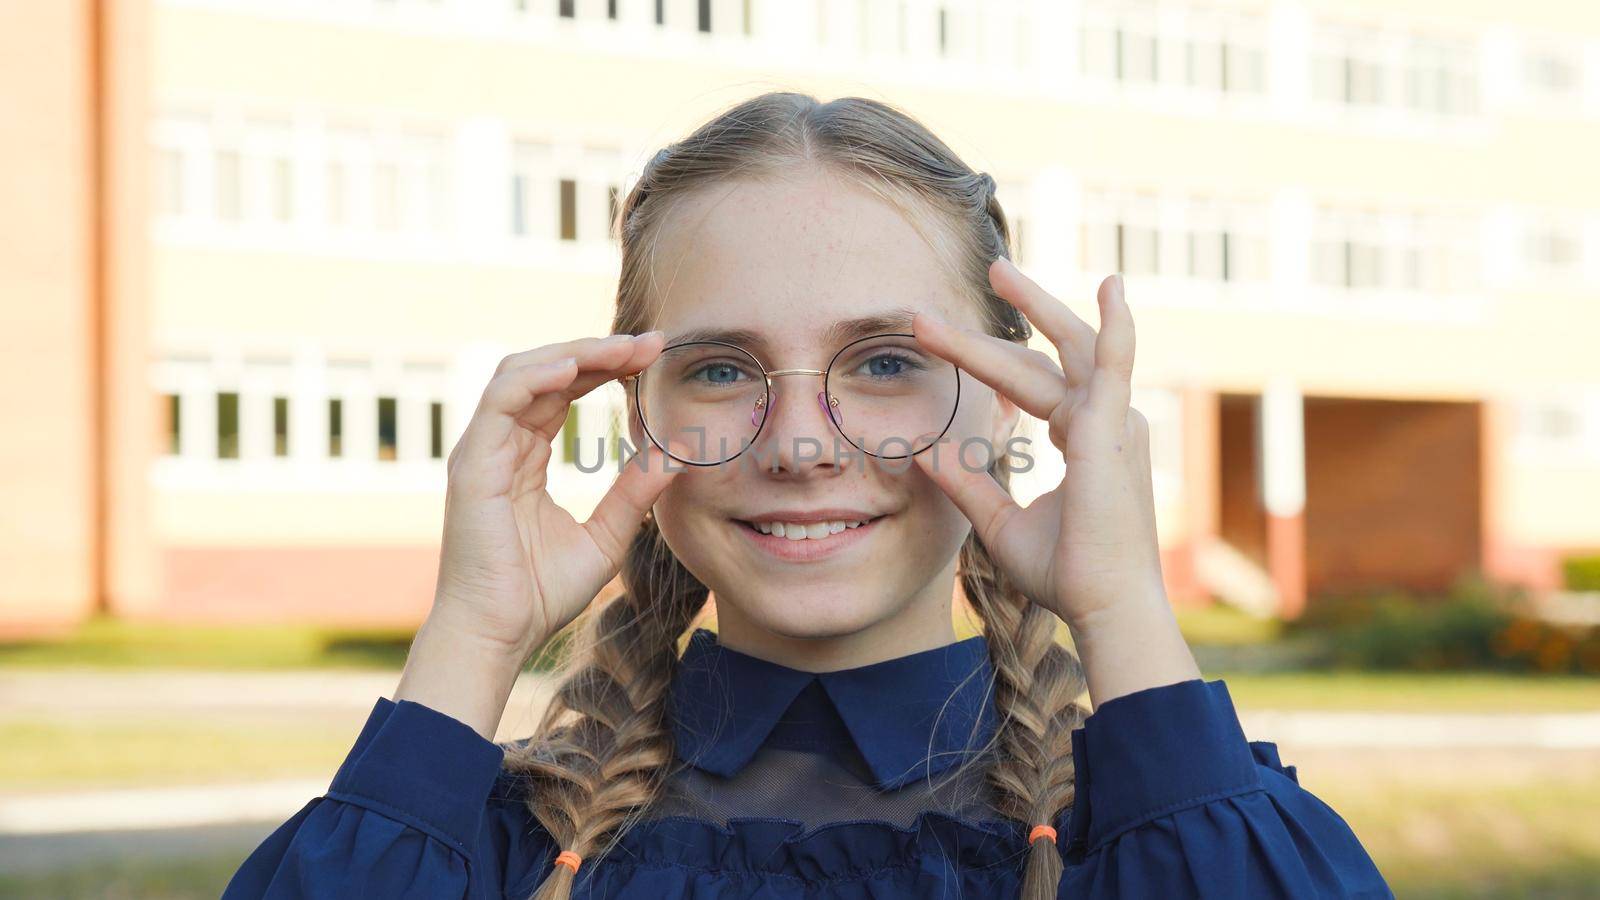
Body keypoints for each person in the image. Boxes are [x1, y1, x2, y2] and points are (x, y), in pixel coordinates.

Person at [222, 91, 1391, 899]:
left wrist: (1126, 610)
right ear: (636, 410)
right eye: (722, 370)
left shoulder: (1138, 834)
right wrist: (471, 638)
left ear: (1008, 400)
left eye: (883, 364)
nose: (796, 445)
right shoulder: (493, 848)